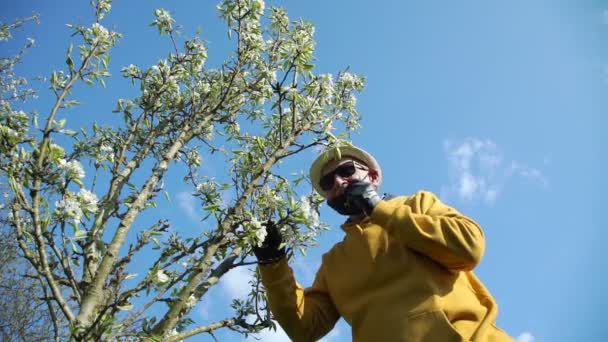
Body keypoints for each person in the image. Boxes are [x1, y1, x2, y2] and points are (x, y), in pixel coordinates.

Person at [253, 145, 514, 342]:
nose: (339, 182)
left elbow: (469, 246)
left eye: (346, 171)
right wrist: (272, 263)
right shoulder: (333, 263)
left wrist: (378, 208)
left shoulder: (418, 205)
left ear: (374, 176)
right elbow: (304, 328)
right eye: (327, 182)